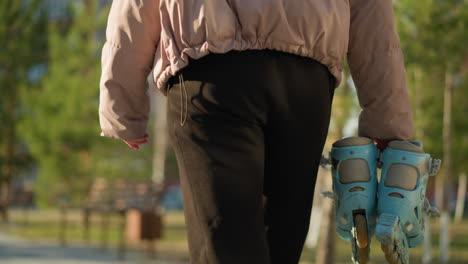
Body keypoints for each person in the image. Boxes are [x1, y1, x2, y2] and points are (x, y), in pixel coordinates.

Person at [99, 0, 419, 263]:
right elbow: (372, 13)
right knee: (282, 241)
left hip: (211, 73)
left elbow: (134, 7)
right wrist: (388, 119)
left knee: (227, 245)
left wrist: (123, 106)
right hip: (307, 81)